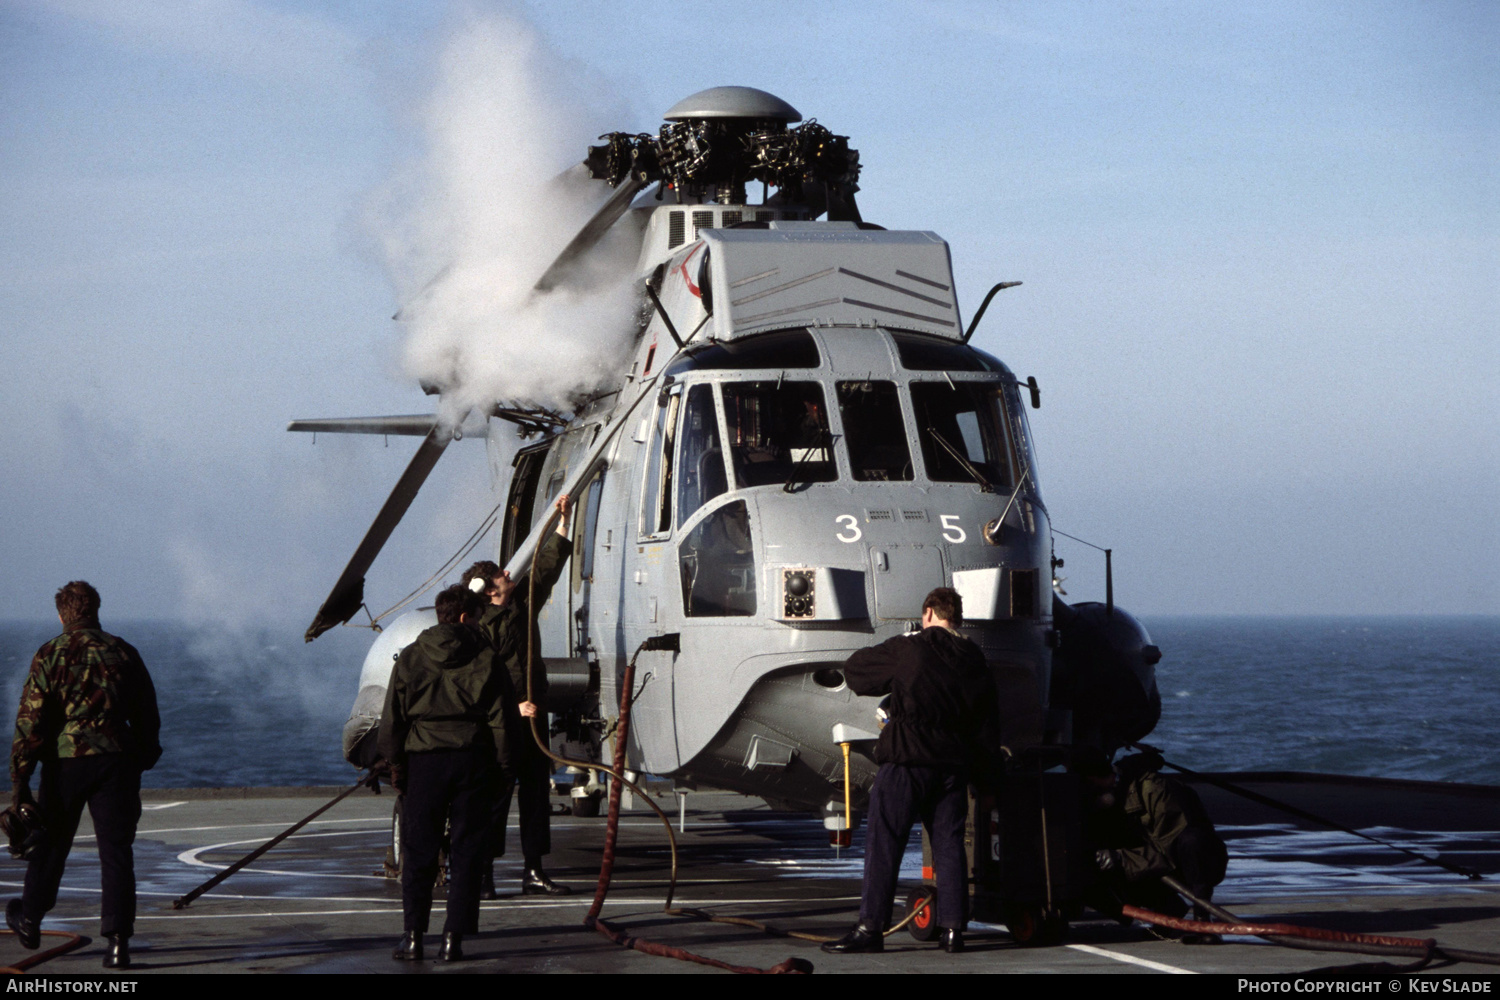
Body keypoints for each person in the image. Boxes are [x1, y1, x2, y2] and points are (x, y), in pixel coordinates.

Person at [823, 587, 1001, 955]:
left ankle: (870, 928)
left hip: (906, 761)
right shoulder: (975, 659)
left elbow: (857, 673)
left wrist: (902, 641)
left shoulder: (911, 646)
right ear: (958, 618)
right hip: (953, 765)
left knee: (885, 841)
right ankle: (954, 930)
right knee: (949, 845)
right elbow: (987, 728)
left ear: (930, 613)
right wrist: (987, 784)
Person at [7, 581, 161, 970]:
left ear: (62, 614)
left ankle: (29, 920)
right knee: (116, 852)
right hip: (117, 760)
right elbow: (146, 713)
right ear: (95, 609)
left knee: (51, 845)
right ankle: (118, 945)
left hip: (65, 762)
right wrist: (142, 757)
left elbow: (31, 720)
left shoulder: (49, 653)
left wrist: (20, 780)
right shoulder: (123, 651)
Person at [378, 584, 526, 962]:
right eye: (476, 618)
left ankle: (412, 938)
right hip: (472, 762)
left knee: (419, 850)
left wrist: (396, 766)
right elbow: (502, 722)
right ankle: (452, 940)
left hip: (423, 764)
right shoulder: (487, 658)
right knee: (467, 853)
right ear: (464, 618)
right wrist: (505, 769)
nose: (479, 624)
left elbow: (392, 720)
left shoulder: (410, 657)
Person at [460, 494, 574, 898]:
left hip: (533, 715)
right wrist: (512, 706)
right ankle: (486, 874)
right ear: (491, 592)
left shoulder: (523, 602)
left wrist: (563, 522)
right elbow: (478, 682)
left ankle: (533, 869)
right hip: (502, 723)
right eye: (500, 576)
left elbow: (547, 568)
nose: (508, 574)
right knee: (496, 795)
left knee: (535, 792)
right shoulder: (478, 629)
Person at [1075, 746, 1228, 939]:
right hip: (1148, 860)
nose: (1093, 794)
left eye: (1093, 786)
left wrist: (1121, 857)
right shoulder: (1110, 801)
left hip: (1188, 862)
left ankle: (1202, 919)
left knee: (1193, 842)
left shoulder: (1156, 791)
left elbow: (1168, 854)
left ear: (1107, 777)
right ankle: (1166, 906)